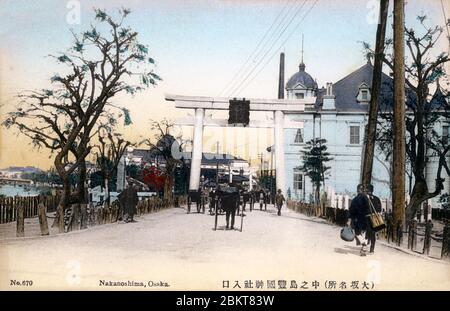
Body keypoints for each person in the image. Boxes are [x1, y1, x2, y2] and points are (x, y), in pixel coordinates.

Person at [348, 184, 382, 256]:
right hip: (371, 219)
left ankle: (364, 245)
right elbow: (379, 209)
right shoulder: (371, 198)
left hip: (360, 219)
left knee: (358, 233)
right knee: (369, 234)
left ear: (357, 190)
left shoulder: (357, 199)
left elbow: (352, 210)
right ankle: (368, 248)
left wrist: (350, 219)